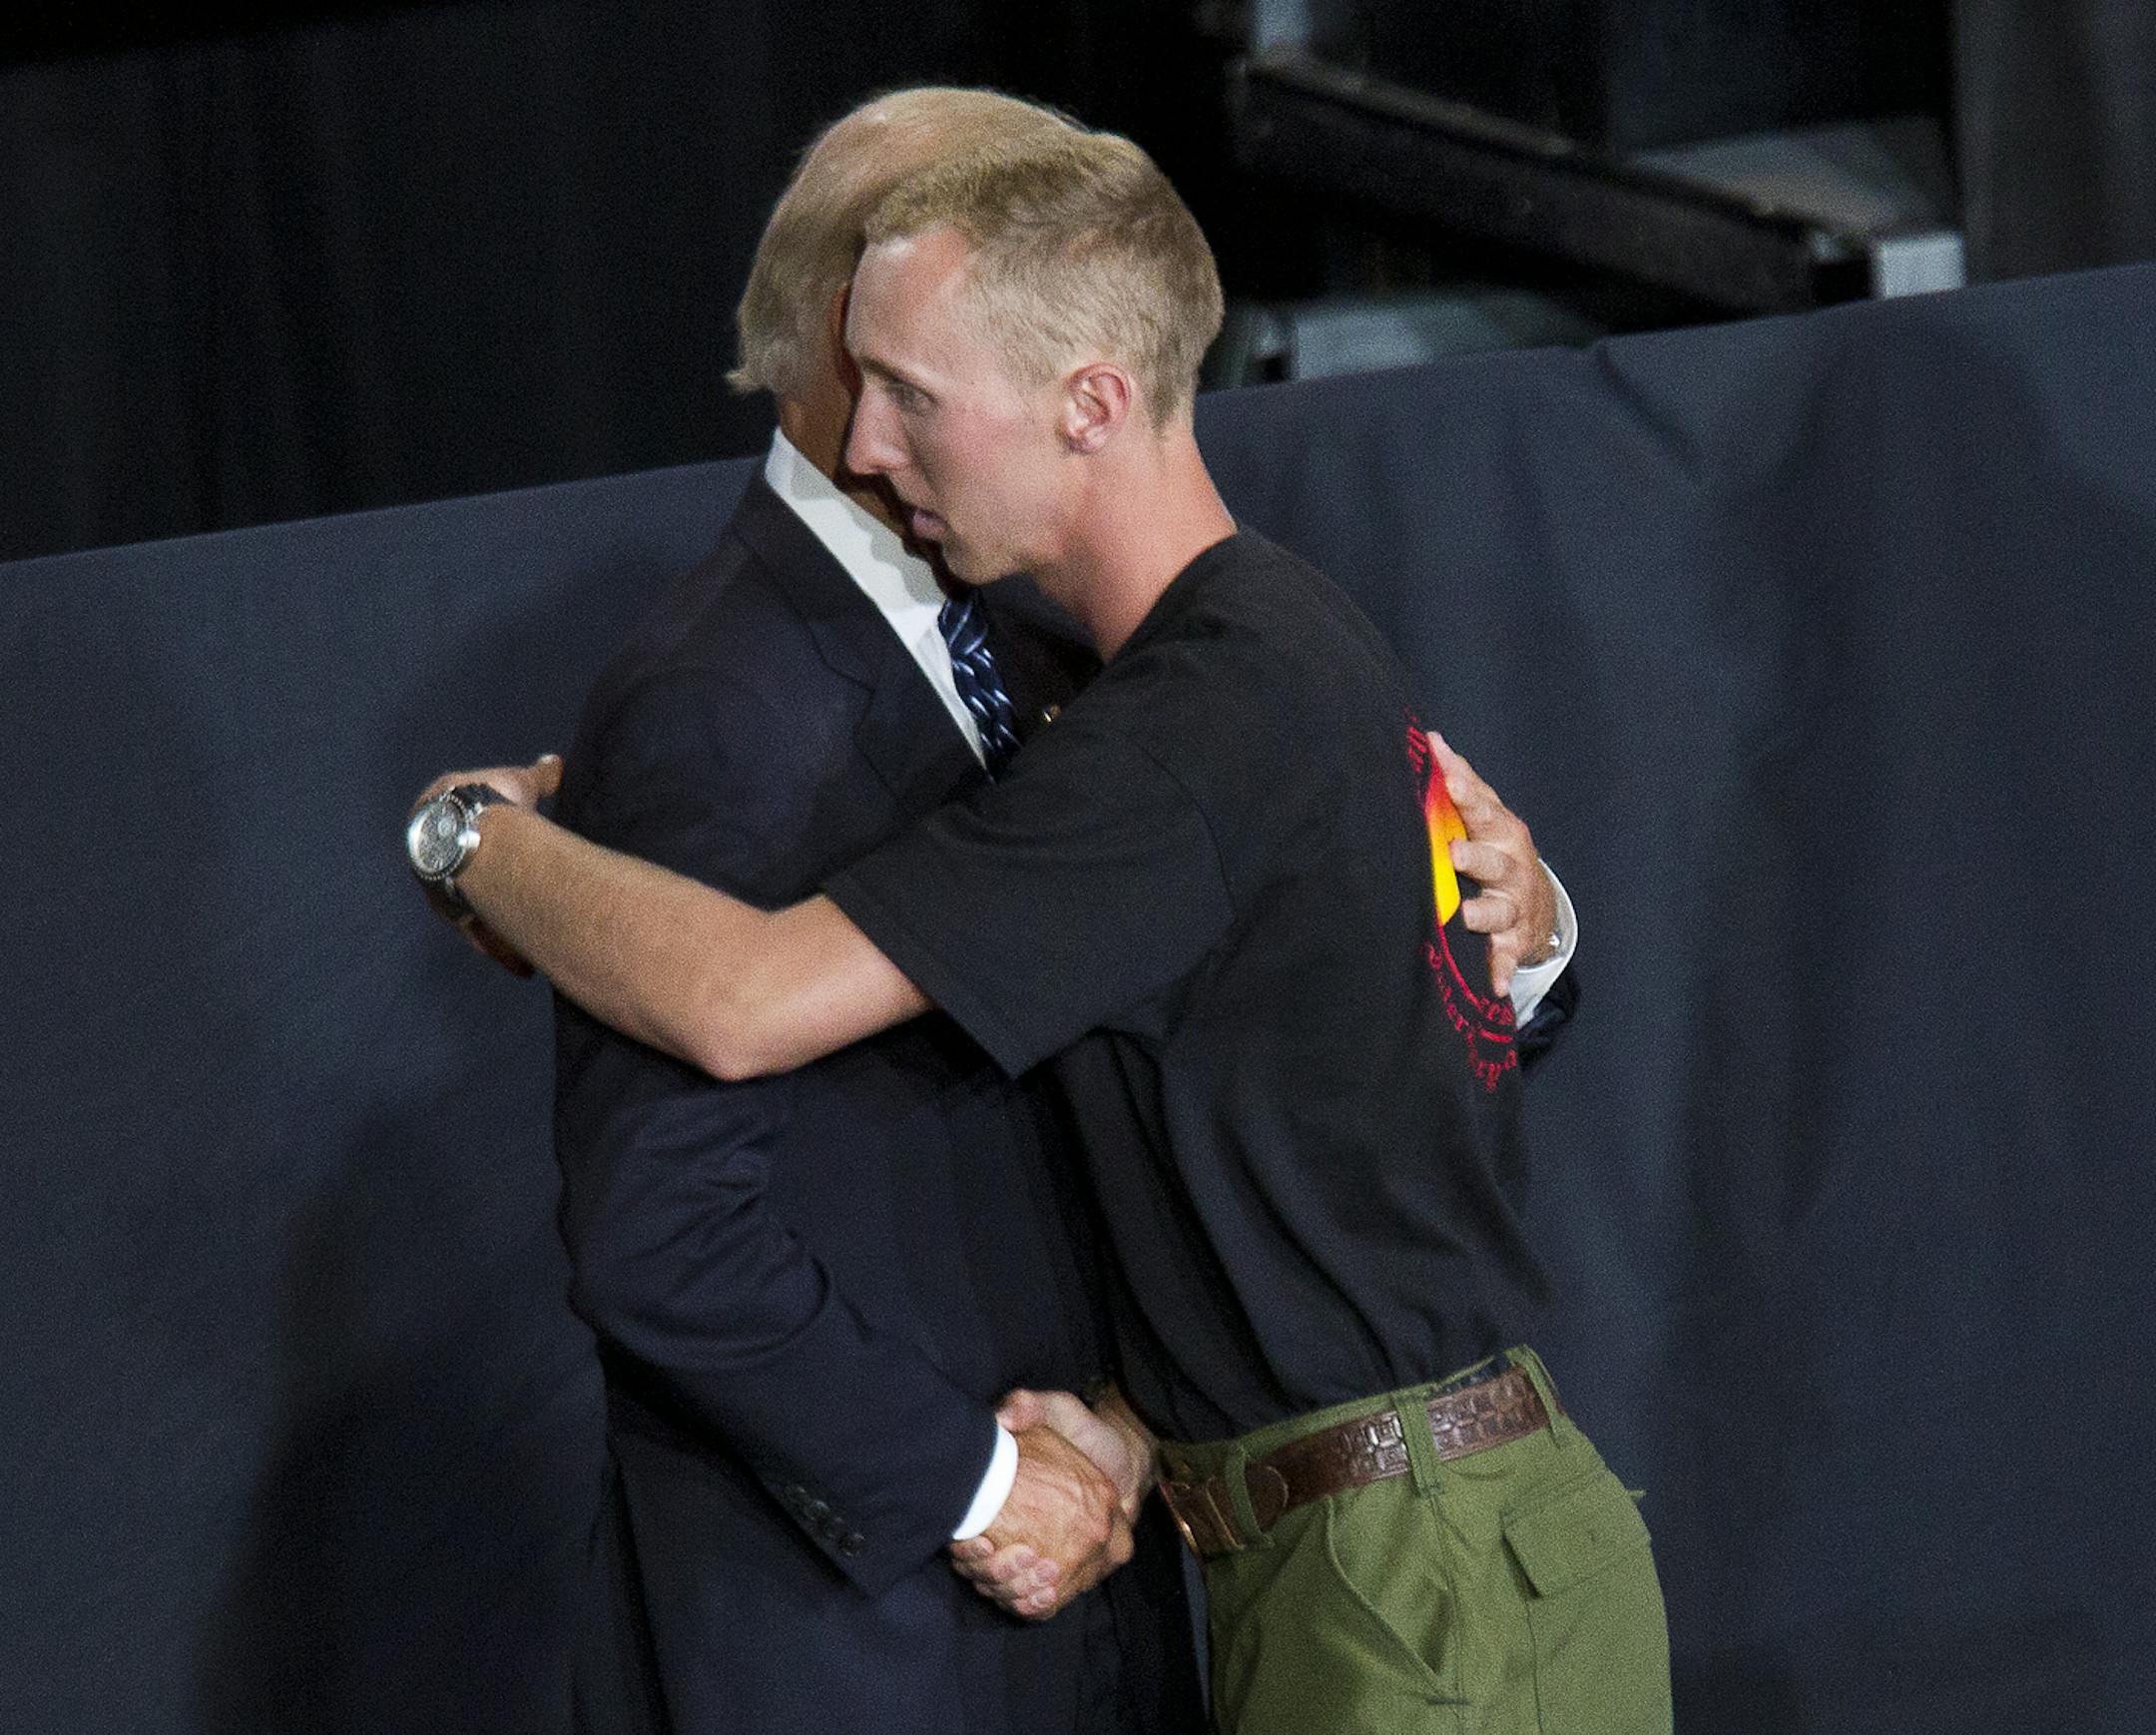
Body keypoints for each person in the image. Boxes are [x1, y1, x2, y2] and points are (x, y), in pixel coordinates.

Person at [409, 120, 1645, 1733]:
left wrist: (475, 839)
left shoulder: (1175, 726)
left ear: (1090, 400)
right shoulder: (1258, 637)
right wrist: (1533, 927)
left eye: (916, 393)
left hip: (1417, 1586)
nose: (872, 445)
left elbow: (740, 999)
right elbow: (1374, 1015)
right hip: (1359, 1555)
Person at [532, 89, 1203, 1735]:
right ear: (863, 324)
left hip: (1094, 1585)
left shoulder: (1052, 631)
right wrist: (985, 1486)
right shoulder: (717, 699)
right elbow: (662, 1232)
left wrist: (1514, 925)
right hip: (867, 1635)